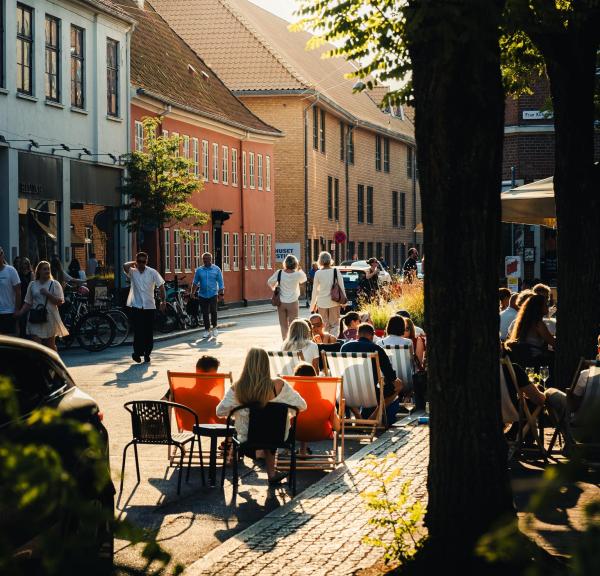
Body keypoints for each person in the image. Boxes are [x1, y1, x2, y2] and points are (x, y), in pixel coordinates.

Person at [216, 348, 307, 485]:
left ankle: (264, 468)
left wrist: (238, 409)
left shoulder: (238, 387)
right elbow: (302, 405)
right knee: (270, 425)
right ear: (266, 364)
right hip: (276, 437)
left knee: (259, 427)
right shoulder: (279, 385)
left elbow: (220, 411)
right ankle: (272, 473)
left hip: (247, 438)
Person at [341, 323, 404, 411]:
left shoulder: (345, 347)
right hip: (372, 394)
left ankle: (358, 417)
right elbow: (391, 376)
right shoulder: (376, 349)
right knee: (399, 385)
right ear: (372, 335)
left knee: (344, 390)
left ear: (357, 334)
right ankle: (374, 417)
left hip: (348, 393)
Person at [123, 252, 166, 364]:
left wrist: (163, 301)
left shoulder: (152, 272)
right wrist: (134, 262)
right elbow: (125, 266)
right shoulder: (133, 272)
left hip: (149, 306)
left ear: (147, 261)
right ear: (137, 261)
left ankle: (147, 353)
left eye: (144, 261)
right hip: (137, 306)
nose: (142, 264)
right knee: (138, 331)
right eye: (140, 261)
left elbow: (161, 286)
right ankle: (137, 353)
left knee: (148, 331)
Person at [15, 260, 68, 350]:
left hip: (49, 318)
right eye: (44, 269)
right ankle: (39, 363)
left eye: (48, 269)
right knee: (37, 347)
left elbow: (60, 301)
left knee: (50, 347)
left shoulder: (54, 284)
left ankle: (54, 362)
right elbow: (28, 302)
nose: (47, 271)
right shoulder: (32, 284)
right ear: (39, 271)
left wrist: (48, 294)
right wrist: (20, 313)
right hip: (35, 317)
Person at [506, 294, 556, 368]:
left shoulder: (522, 320)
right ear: (538, 307)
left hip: (523, 359)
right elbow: (552, 342)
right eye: (545, 304)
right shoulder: (538, 323)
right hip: (535, 360)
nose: (547, 306)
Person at [267, 254, 307, 339]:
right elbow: (304, 279)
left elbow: (269, 282)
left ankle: (285, 342)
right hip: (293, 302)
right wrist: (299, 269)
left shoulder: (279, 273)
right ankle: (292, 342)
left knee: (283, 325)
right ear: (295, 264)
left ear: (285, 263)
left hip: (281, 302)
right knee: (293, 324)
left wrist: (274, 288)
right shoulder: (297, 274)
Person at [309, 251, 346, 337]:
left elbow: (315, 291)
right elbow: (341, 286)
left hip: (322, 303)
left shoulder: (318, 273)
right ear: (330, 260)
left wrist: (312, 306)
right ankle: (333, 341)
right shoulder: (336, 271)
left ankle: (326, 342)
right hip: (334, 302)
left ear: (320, 261)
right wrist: (344, 301)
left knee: (324, 325)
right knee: (335, 325)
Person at [192, 252, 224, 339]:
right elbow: (195, 282)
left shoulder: (216, 269)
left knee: (213, 310)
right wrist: (192, 292)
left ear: (211, 259)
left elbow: (221, 282)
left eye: (207, 259)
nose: (206, 261)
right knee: (205, 313)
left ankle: (214, 327)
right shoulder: (199, 270)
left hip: (213, 293)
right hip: (202, 294)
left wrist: (221, 294)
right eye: (204, 259)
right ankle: (207, 330)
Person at [0, 246, 21, 336]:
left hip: (8, 312)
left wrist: (17, 309)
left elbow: (18, 291)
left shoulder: (11, 270)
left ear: (3, 255)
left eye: (0, 253)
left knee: (9, 341)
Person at [16, 257, 33, 337]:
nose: (25, 265)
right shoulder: (18, 273)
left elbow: (32, 285)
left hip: (29, 296)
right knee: (22, 319)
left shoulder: (31, 274)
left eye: (26, 263)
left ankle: (27, 335)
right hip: (21, 296)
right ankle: (22, 335)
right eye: (23, 263)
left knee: (28, 318)